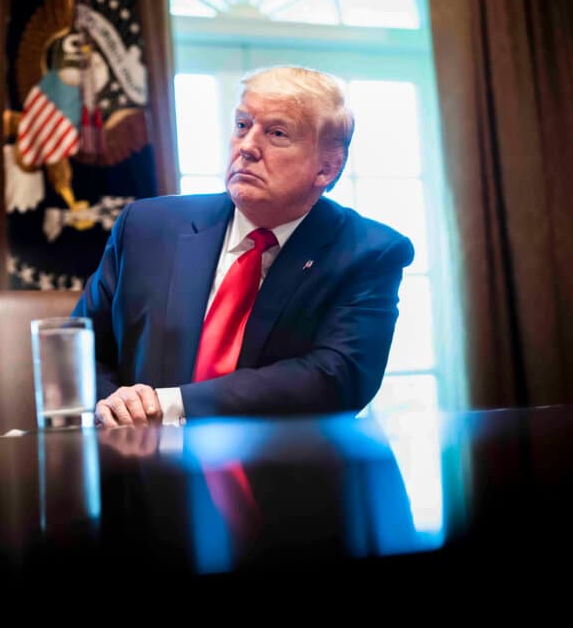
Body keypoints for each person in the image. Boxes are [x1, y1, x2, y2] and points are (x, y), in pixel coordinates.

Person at [73, 66, 413, 428]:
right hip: (140, 467)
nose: (248, 146)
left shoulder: (369, 252)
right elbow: (78, 350)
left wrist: (171, 403)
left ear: (326, 169)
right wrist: (119, 406)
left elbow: (337, 376)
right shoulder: (147, 227)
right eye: (242, 125)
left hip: (282, 472)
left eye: (277, 133)